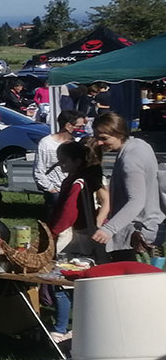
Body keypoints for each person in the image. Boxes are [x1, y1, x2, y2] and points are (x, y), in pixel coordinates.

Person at [45, 138, 109, 341]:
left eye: (64, 161)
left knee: (61, 284)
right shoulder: (81, 179)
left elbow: (69, 213)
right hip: (81, 236)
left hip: (71, 237)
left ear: (77, 161)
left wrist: (53, 232)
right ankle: (80, 325)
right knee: (74, 284)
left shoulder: (77, 183)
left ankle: (61, 328)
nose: (61, 165)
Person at [90, 111, 164, 262]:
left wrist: (108, 229)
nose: (99, 143)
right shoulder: (140, 144)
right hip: (149, 225)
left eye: (104, 138)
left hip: (136, 234)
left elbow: (136, 201)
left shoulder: (130, 160)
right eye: (97, 137)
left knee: (133, 275)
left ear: (120, 133)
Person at [33, 110, 85, 210]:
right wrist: (50, 189)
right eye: (79, 127)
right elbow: (39, 169)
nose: (81, 130)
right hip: (55, 192)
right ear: (68, 126)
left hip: (74, 189)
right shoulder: (46, 143)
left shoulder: (77, 143)